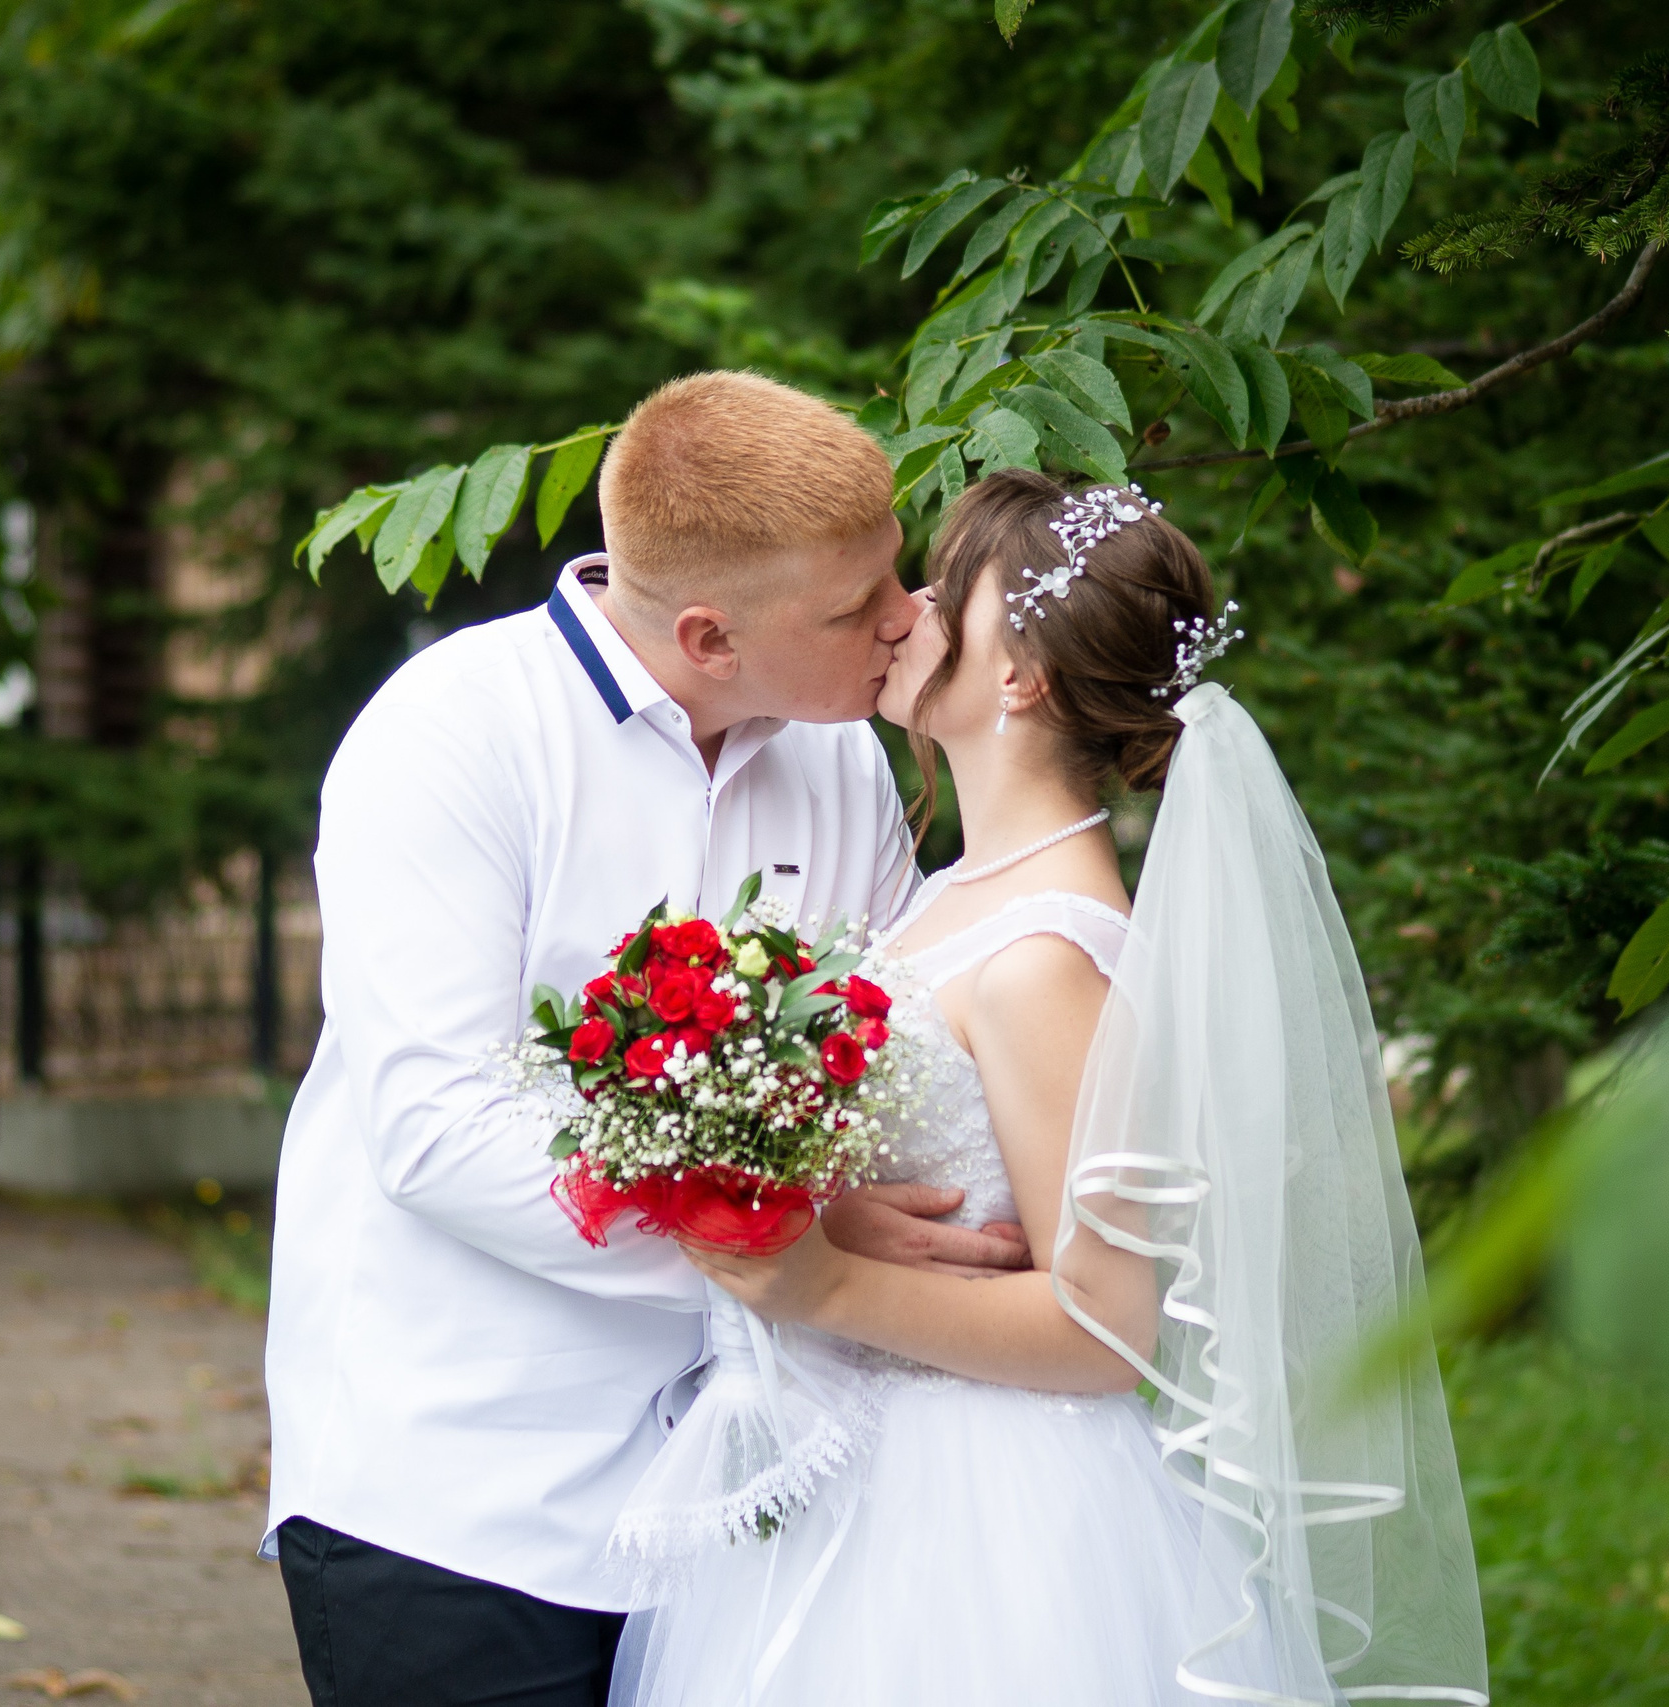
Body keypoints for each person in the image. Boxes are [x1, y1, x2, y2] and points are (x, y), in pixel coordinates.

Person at [606, 469, 1490, 1706]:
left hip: (990, 1518)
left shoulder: (1043, 956)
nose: (905, 612)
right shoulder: (951, 896)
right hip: (870, 1462)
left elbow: (1107, 1328)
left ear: (1019, 676)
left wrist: (827, 1285)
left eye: (941, 592)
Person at [260, 371, 1035, 1707]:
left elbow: (891, 1067)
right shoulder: (452, 736)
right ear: (708, 635)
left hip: (756, 1492)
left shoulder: (839, 759)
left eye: (895, 572)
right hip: (461, 1491)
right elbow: (439, 1133)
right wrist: (785, 1241)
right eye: (856, 604)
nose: (910, 617)